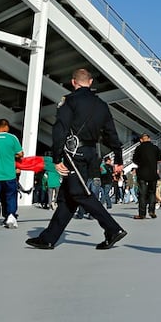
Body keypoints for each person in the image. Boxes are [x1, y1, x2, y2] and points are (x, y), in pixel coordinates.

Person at [26, 68, 127, 250]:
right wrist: (118, 158)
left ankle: (112, 228)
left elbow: (60, 130)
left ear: (74, 82)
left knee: (80, 194)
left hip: (73, 154)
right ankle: (49, 238)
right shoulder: (102, 105)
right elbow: (111, 133)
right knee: (68, 198)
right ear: (91, 82)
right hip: (90, 153)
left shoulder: (69, 101)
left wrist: (56, 158)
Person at [132, 133, 161, 219]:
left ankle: (142, 214)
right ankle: (152, 211)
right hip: (153, 174)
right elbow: (159, 160)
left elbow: (134, 160)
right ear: (149, 139)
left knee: (142, 194)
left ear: (141, 140)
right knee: (152, 192)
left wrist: (140, 163)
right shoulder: (155, 148)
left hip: (142, 173)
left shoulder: (139, 148)